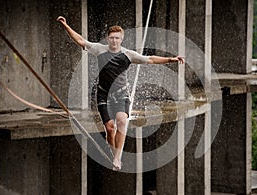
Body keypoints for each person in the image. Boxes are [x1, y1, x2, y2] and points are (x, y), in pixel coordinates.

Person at [57, 16, 184, 171]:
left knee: (122, 121)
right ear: (107, 38)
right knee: (110, 128)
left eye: (117, 38)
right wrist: (66, 26)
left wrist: (171, 59)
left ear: (121, 39)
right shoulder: (99, 49)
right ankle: (114, 154)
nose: (114, 41)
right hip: (103, 94)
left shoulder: (128, 54)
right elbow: (81, 41)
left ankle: (117, 157)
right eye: (111, 38)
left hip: (121, 94)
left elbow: (150, 59)